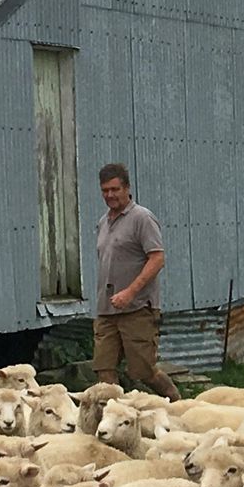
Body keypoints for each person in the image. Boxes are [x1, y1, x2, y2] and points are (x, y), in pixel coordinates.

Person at [92, 162, 180, 400]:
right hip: (106, 308)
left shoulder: (141, 218)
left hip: (137, 308)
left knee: (143, 371)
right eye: (105, 191)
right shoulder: (103, 222)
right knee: (104, 369)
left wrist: (130, 292)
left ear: (127, 188)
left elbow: (157, 258)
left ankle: (178, 405)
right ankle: (116, 418)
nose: (110, 195)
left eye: (114, 189)